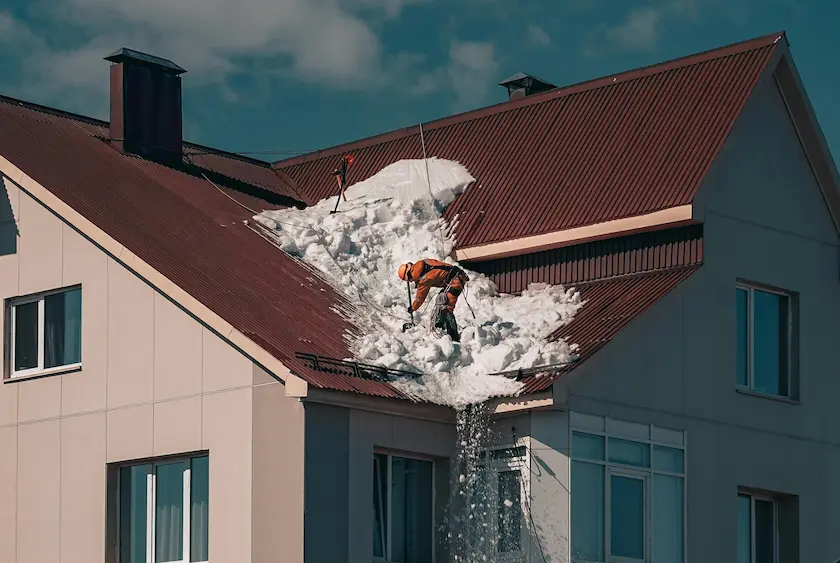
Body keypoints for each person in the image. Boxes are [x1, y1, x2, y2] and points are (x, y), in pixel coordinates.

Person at [397, 258, 469, 341]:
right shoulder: (422, 263)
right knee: (441, 301)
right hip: (456, 276)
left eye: (409, 280)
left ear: (409, 276)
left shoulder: (423, 279)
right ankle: (439, 326)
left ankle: (454, 337)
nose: (411, 281)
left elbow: (420, 298)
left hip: (456, 280)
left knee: (446, 306)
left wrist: (413, 308)